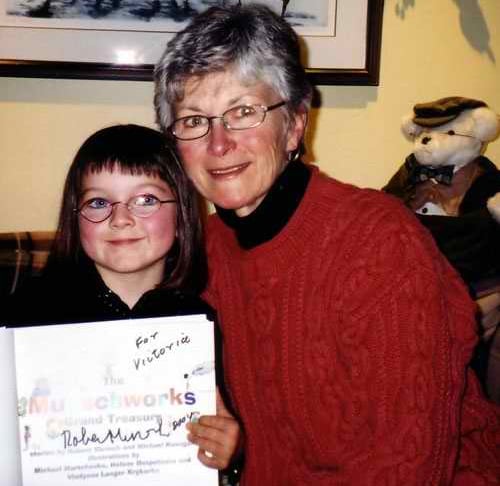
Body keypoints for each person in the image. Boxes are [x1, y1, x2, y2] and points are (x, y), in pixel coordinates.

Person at [153, 4, 500, 485]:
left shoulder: (379, 245)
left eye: (244, 111)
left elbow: (408, 467)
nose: (218, 142)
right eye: (194, 120)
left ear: (295, 124)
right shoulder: (203, 253)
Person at [2, 124, 241, 478]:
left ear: (181, 215)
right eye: (98, 202)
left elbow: (217, 439)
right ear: (75, 217)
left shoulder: (202, 319)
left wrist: (229, 449)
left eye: (146, 200)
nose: (121, 219)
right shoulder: (26, 317)